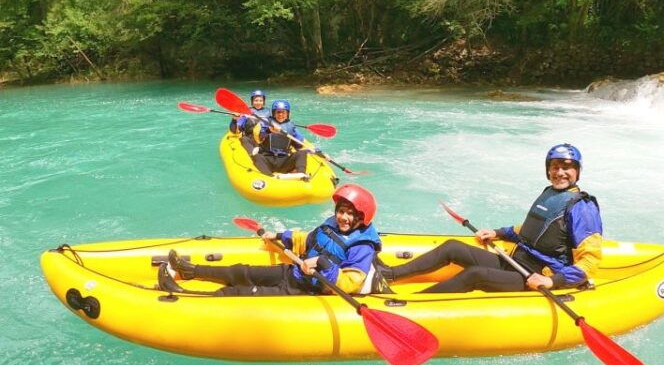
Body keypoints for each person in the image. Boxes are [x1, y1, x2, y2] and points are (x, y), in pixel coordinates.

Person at [378, 143, 602, 293]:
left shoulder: (582, 207)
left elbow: (590, 262)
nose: (560, 172)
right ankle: (389, 275)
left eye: (567, 168)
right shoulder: (551, 193)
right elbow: (532, 228)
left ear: (577, 171)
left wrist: (552, 281)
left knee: (475, 275)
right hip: (516, 261)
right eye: (555, 167)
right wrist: (498, 232)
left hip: (537, 275)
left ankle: (412, 303)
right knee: (452, 247)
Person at [157, 184, 390, 296]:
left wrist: (322, 264)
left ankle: (183, 293)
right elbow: (308, 239)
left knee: (239, 292)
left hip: (309, 290)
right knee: (240, 271)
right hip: (294, 272)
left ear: (362, 217)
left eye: (350, 214)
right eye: (341, 211)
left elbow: (351, 283)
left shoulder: (362, 246)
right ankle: (190, 270)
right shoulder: (332, 223)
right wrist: (279, 236)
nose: (343, 217)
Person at [250, 99, 314, 178]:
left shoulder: (291, 127)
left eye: (283, 112)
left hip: (284, 160)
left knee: (302, 153)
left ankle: (301, 175)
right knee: (257, 157)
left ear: (287, 114)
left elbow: (299, 145)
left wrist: (314, 150)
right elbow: (260, 137)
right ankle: (270, 177)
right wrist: (269, 130)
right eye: (278, 112)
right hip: (268, 159)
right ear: (274, 113)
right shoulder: (266, 123)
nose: (280, 114)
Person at [229, 89, 269, 155]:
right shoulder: (246, 112)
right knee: (244, 139)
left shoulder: (268, 111)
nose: (258, 102)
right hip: (251, 138)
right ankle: (253, 154)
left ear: (263, 101)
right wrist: (234, 119)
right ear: (252, 101)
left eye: (260, 101)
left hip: (265, 137)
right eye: (256, 100)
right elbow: (235, 131)